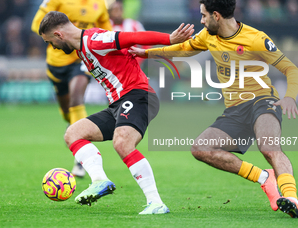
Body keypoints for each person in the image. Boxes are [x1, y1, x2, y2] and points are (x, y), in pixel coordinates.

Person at [131, 0, 298, 218]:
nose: (201, 20)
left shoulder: (256, 39)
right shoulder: (208, 36)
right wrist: (146, 53)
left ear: (216, 16)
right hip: (235, 110)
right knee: (201, 149)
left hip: (263, 101)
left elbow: (290, 68)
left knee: (269, 147)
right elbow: (183, 49)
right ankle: (264, 177)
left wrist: (289, 96)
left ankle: (291, 197)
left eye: (203, 15)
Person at [38, 11, 194, 214]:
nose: (53, 47)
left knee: (122, 143)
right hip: (118, 104)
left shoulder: (95, 40)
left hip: (139, 95)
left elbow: (133, 37)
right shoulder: (81, 50)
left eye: (50, 42)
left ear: (59, 35)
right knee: (73, 134)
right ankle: (100, 180)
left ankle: (156, 203)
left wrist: (169, 39)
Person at [31, 0, 112, 178]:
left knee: (77, 97)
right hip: (57, 62)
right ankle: (74, 125)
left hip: (82, 58)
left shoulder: (100, 1)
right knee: (67, 110)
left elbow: (106, 31)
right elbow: (36, 24)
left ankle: (81, 157)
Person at [109, 0, 148, 66]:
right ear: (110, 12)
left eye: (119, 10)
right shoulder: (106, 26)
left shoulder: (133, 24)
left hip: (132, 63)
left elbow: (147, 42)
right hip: (113, 65)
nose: (117, 13)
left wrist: (139, 59)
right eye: (114, 10)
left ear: (122, 11)